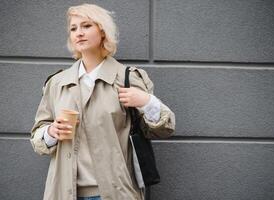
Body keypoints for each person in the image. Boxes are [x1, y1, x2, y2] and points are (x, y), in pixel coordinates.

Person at [30, 3, 175, 200]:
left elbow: (164, 129)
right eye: (74, 28)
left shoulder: (126, 78)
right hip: (64, 193)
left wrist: (146, 101)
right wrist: (50, 132)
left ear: (103, 32)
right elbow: (37, 136)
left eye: (87, 26)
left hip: (116, 192)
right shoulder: (57, 83)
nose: (79, 33)